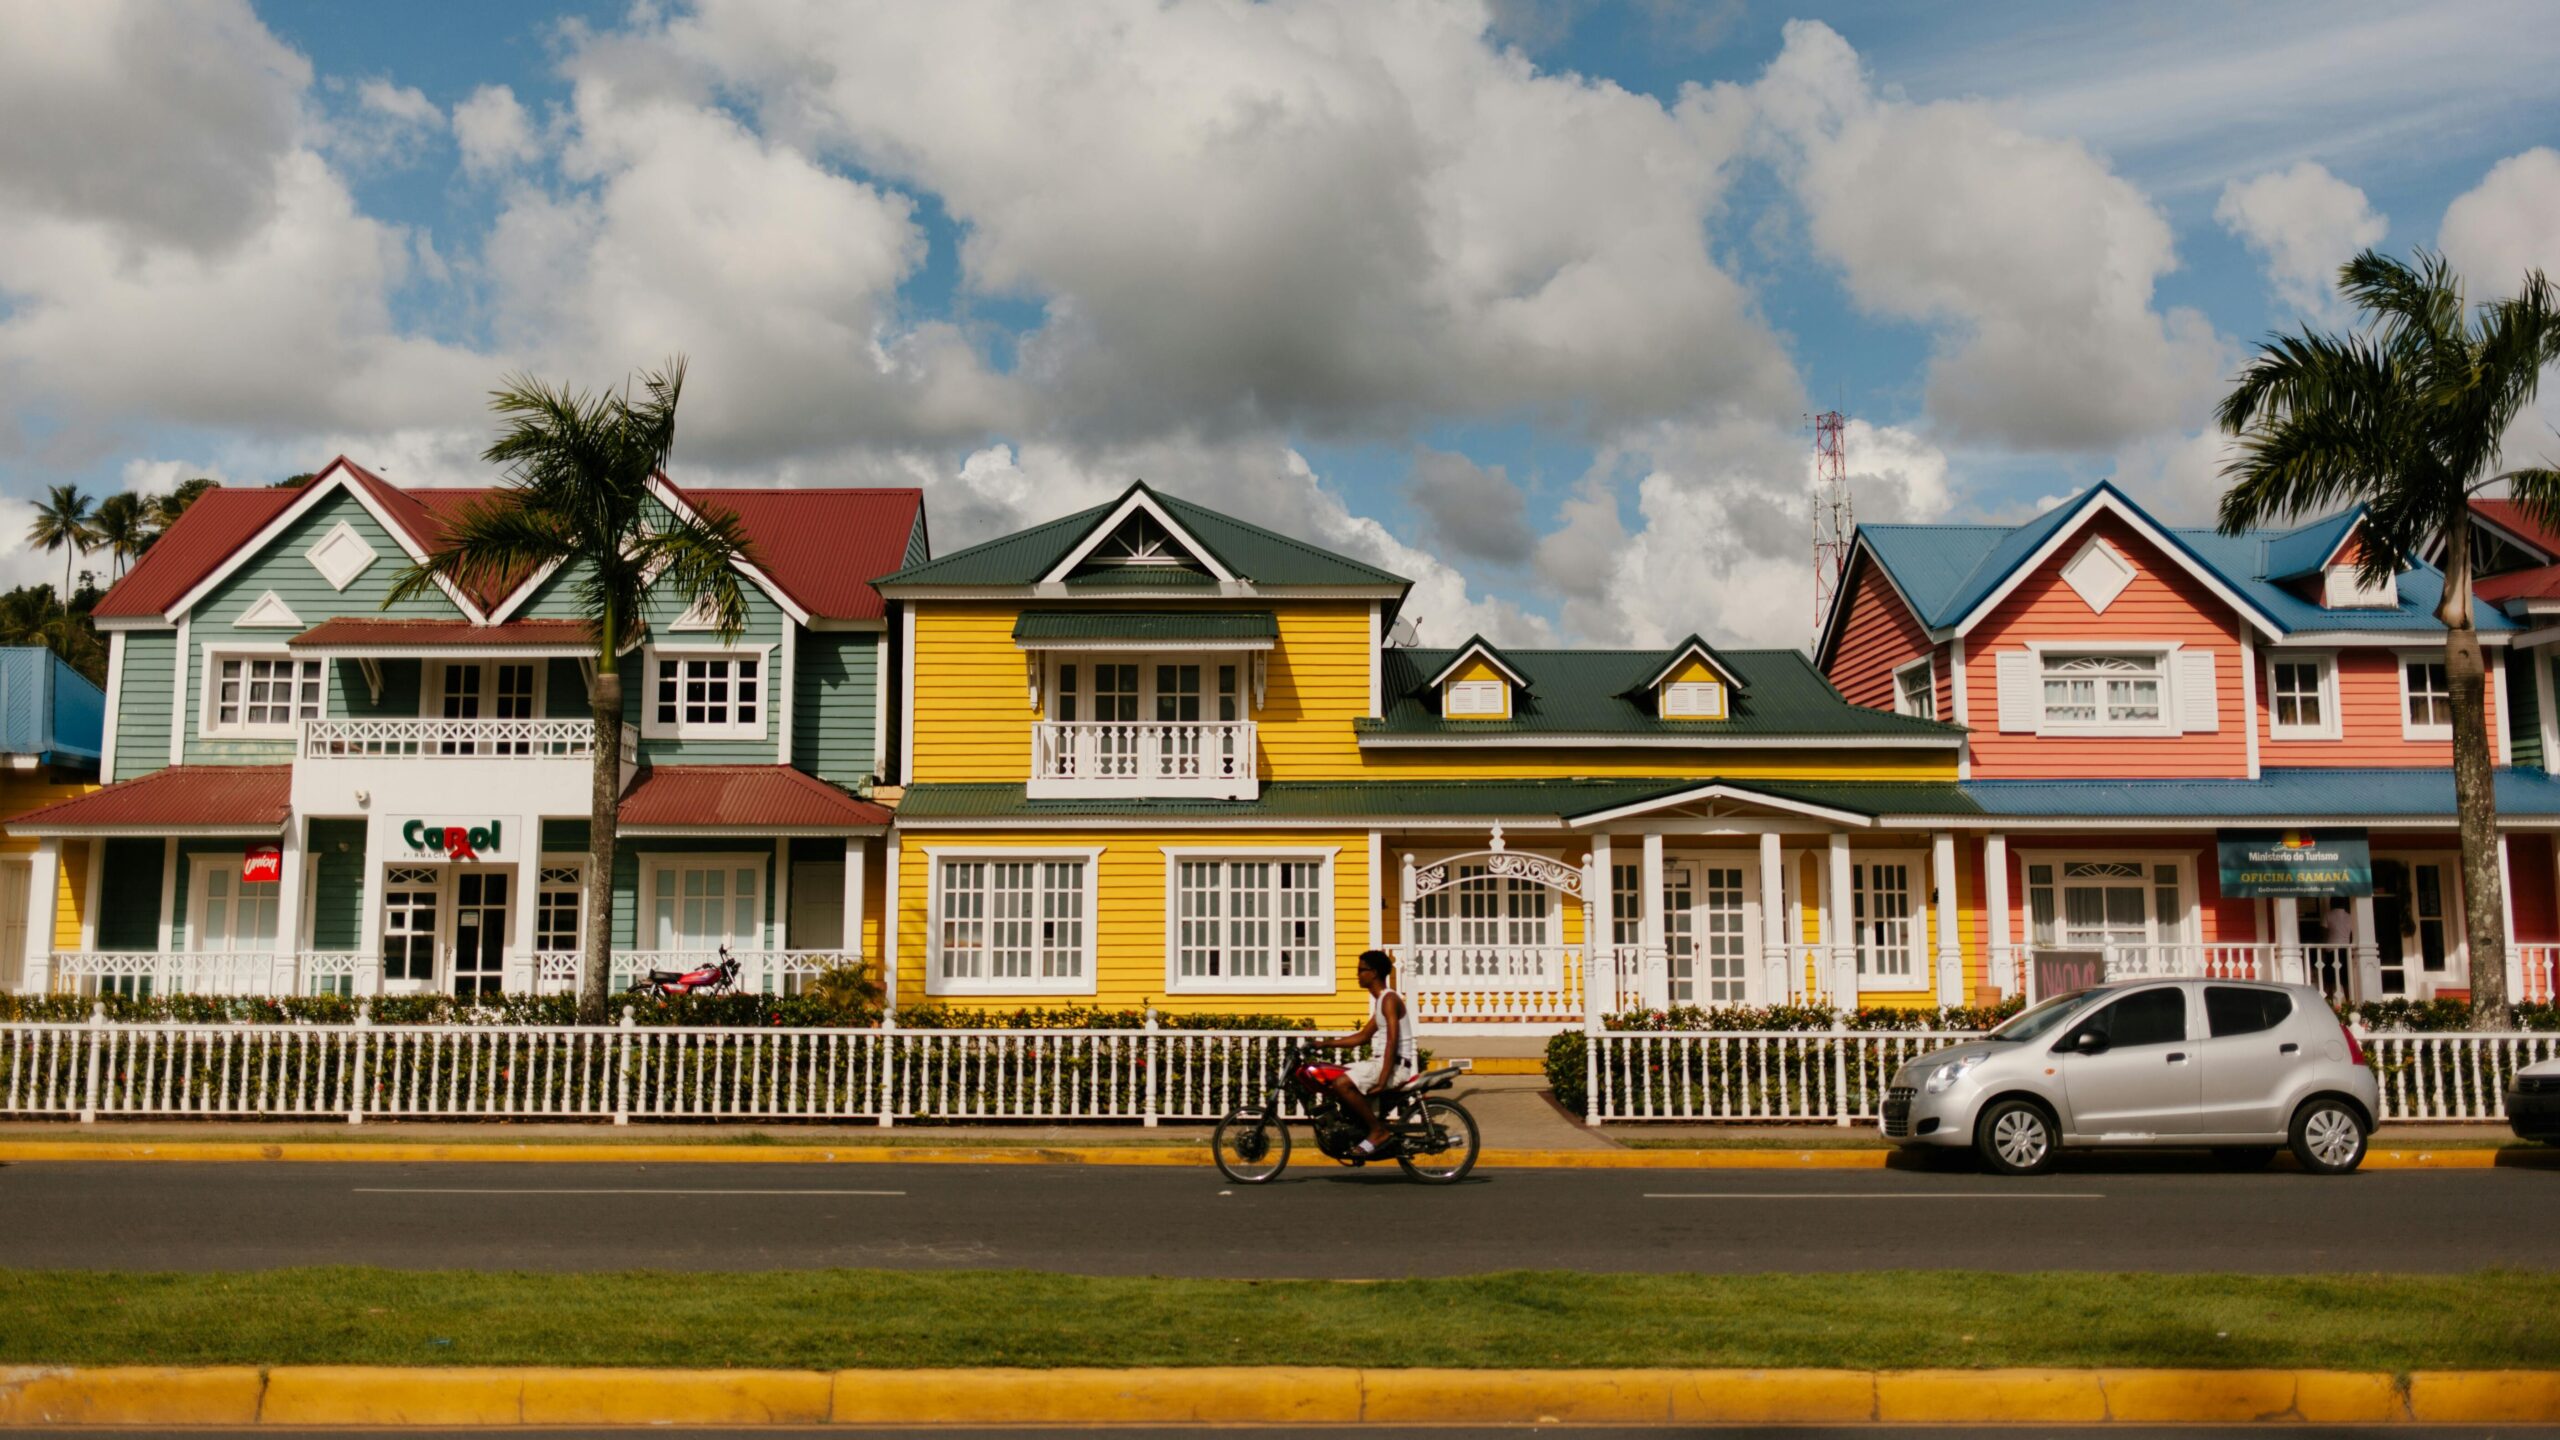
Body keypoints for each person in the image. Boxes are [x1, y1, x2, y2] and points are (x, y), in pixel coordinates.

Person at [1321, 949, 1418, 1158]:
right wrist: (1324, 1044)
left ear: (1373, 973)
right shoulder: (1382, 1001)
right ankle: (1360, 1128)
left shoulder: (1390, 999)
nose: (1358, 975)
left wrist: (1383, 1079)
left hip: (1394, 1066)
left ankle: (1377, 1131)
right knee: (1333, 1078)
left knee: (1341, 1083)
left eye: (1361, 970)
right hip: (1382, 1063)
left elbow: (1393, 1039)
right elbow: (1363, 1036)